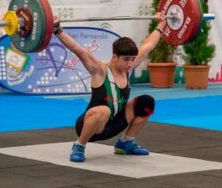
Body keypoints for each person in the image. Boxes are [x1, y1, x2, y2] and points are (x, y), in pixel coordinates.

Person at [53, 14, 166, 162]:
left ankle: (126, 142)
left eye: (133, 59)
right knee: (104, 110)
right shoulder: (99, 70)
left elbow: (148, 45)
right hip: (91, 126)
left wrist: (162, 24)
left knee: (146, 102)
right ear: (114, 57)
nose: (131, 64)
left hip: (113, 124)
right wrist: (57, 29)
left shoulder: (128, 68)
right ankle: (79, 145)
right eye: (126, 59)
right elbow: (77, 49)